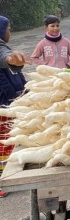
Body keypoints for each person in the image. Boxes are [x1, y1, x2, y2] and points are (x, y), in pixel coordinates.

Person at [0, 15, 27, 198]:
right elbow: (3, 57)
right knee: (5, 140)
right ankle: (4, 179)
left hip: (8, 99)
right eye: (8, 28)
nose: (10, 32)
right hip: (4, 102)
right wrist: (10, 58)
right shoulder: (2, 48)